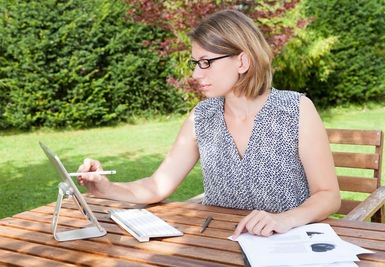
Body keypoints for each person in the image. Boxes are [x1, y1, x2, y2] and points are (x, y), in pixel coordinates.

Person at [76, 9, 341, 240]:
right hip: (217, 242)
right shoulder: (201, 116)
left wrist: (285, 219)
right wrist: (107, 188)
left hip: (288, 245)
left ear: (242, 61)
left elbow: (328, 195)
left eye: (206, 63)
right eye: (195, 63)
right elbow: (158, 185)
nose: (195, 74)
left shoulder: (295, 110)